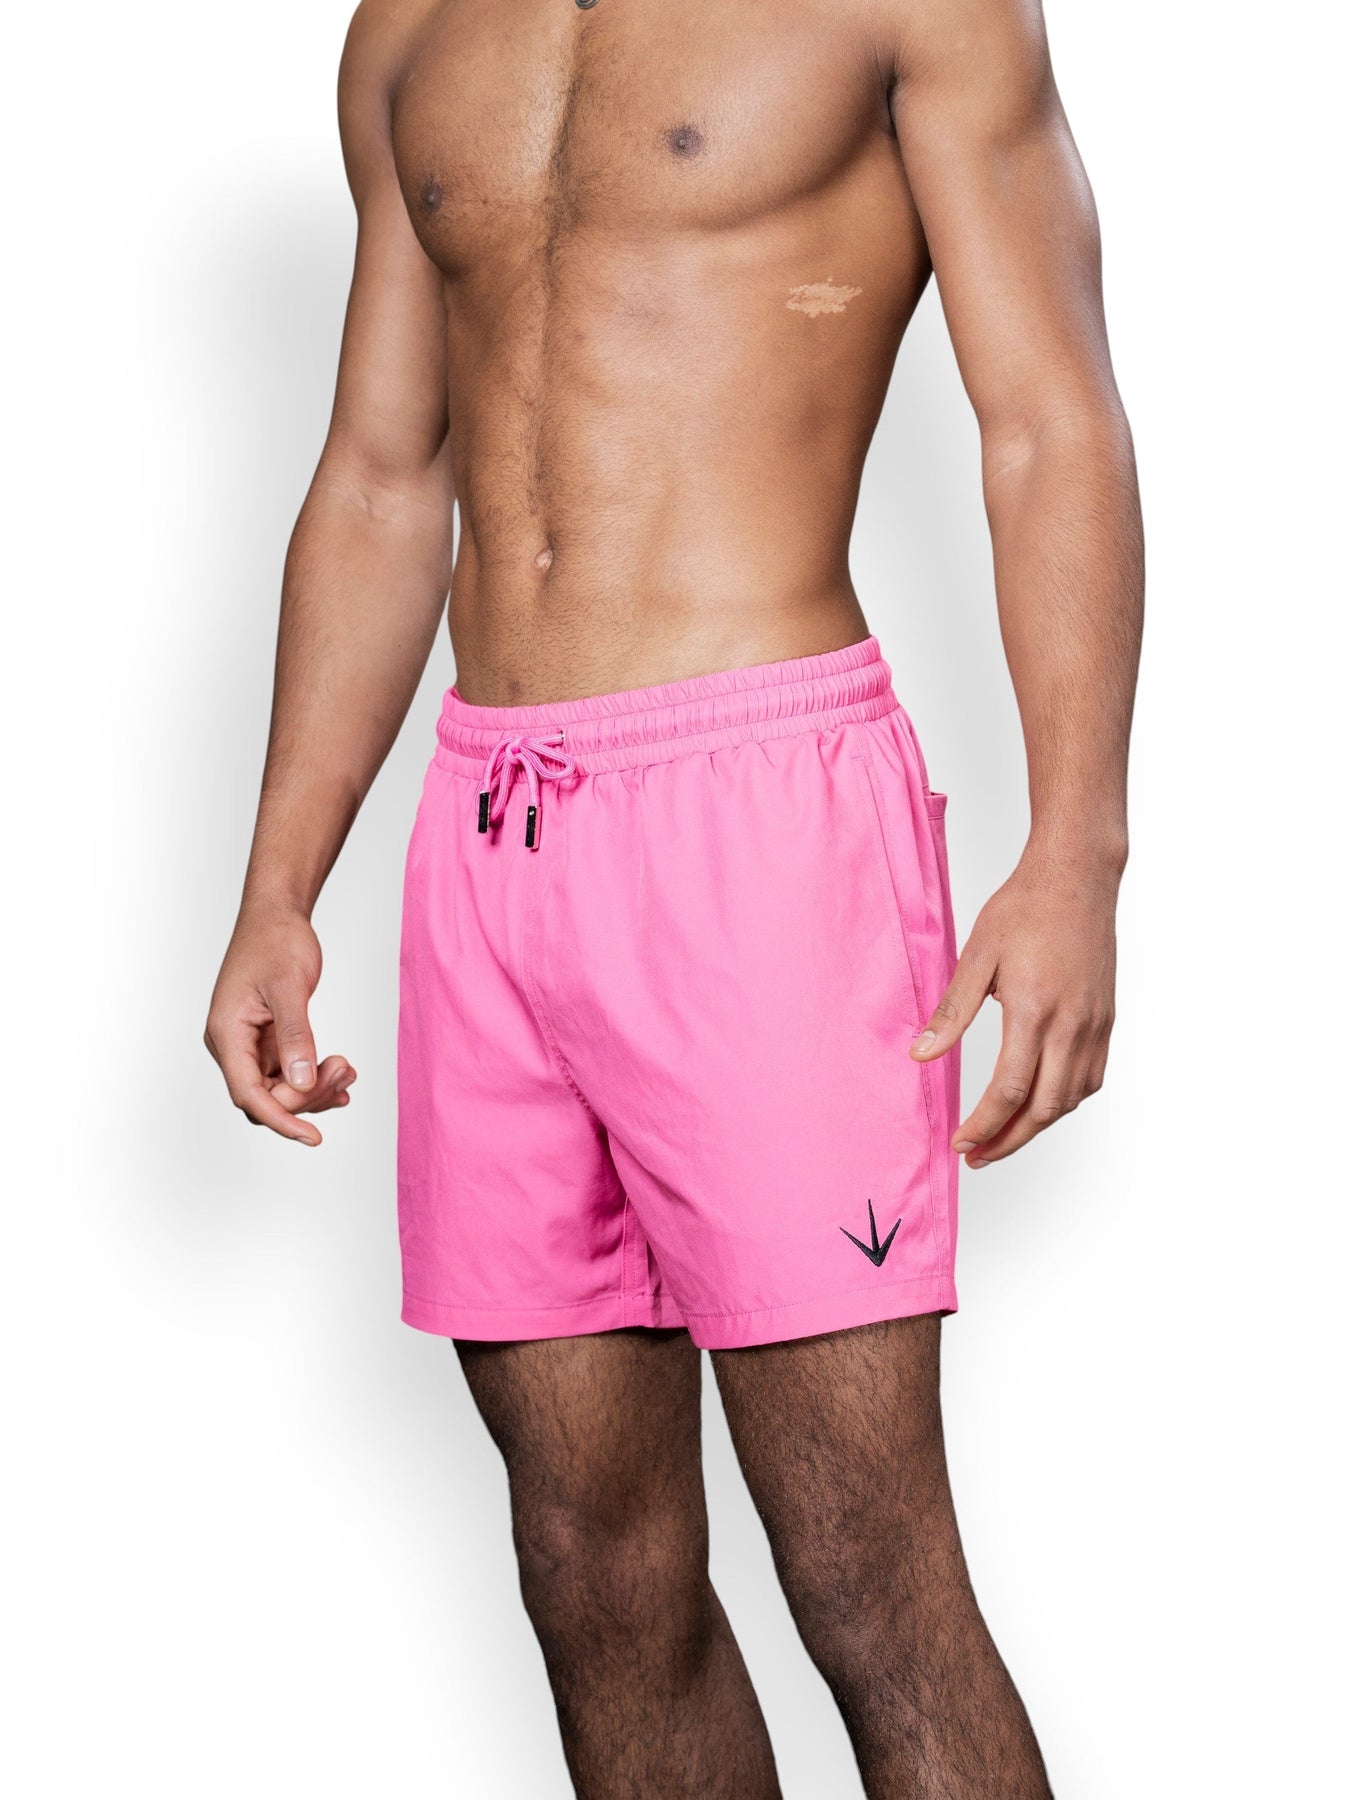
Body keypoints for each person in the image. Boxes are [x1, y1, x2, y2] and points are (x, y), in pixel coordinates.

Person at [206, 0, 1142, 1789]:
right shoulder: (411, 28)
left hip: (761, 816)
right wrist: (277, 883)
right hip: (491, 829)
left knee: (865, 1576)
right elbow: (386, 475)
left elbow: (1046, 422)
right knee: (591, 1575)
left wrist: (1076, 851)